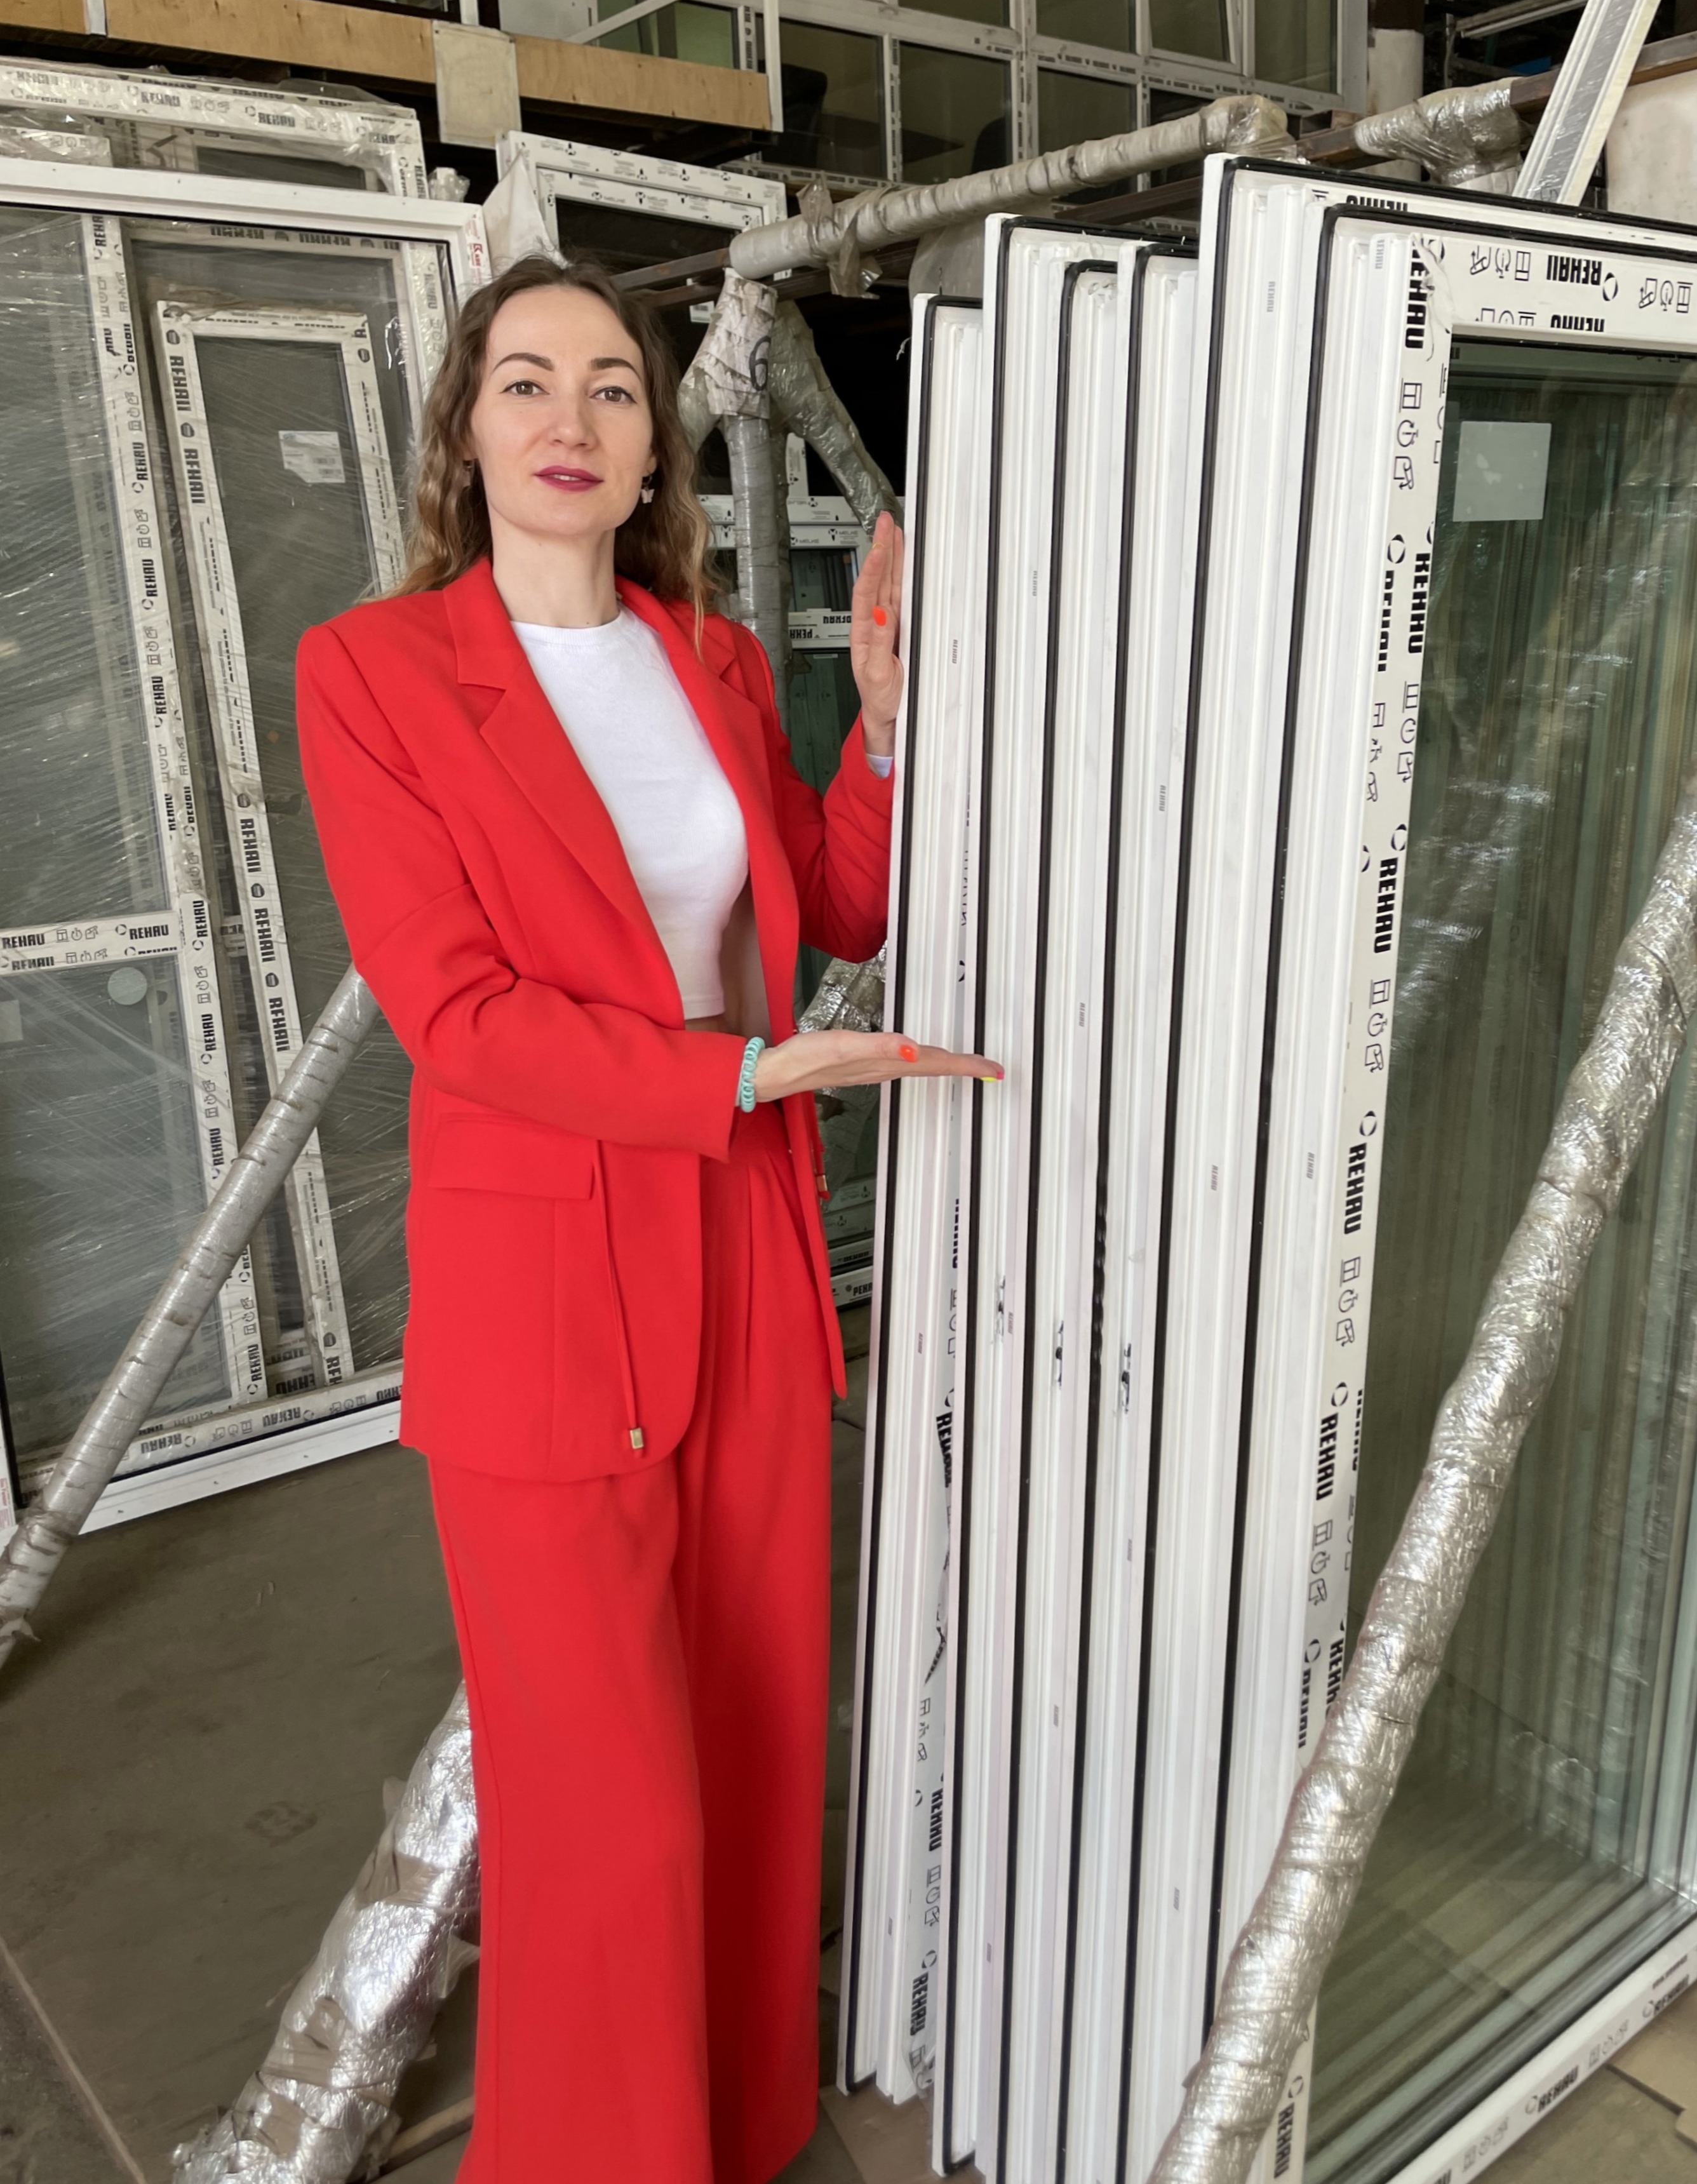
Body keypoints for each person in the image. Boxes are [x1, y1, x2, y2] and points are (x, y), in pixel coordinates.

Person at [296, 255, 998, 2183]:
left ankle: (738, 2131)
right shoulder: (374, 673)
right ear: (464, 431)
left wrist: (880, 727)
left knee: (759, 1749)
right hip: (551, 1274)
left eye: (614, 386)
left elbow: (825, 906)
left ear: (648, 450)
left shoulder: (712, 661)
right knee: (607, 1813)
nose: (573, 419)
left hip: (743, 1245)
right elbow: (457, 1012)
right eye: (526, 381)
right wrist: (742, 1077)